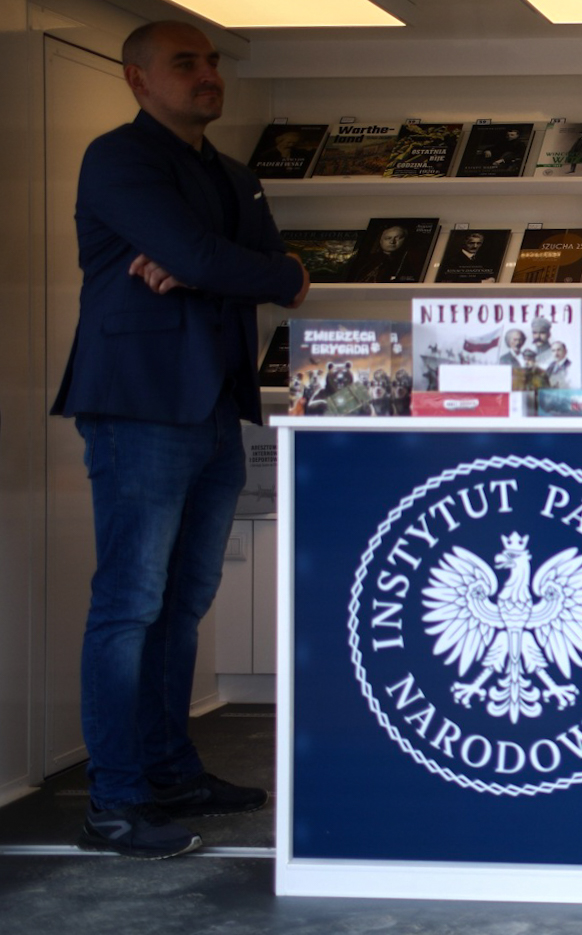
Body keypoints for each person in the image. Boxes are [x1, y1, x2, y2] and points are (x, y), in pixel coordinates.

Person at [50, 20, 310, 859]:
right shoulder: (117, 159)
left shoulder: (235, 176)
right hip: (138, 406)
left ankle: (169, 771)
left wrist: (202, 264)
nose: (207, 74)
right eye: (185, 63)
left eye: (212, 63)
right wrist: (207, 262)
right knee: (129, 603)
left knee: (184, 600)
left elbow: (286, 274)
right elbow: (223, 260)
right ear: (136, 78)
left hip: (216, 409)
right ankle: (115, 801)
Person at [352, 223, 424, 283]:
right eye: (388, 238)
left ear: (406, 240)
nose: (392, 242)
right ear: (381, 241)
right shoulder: (366, 261)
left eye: (398, 238)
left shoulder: (412, 260)